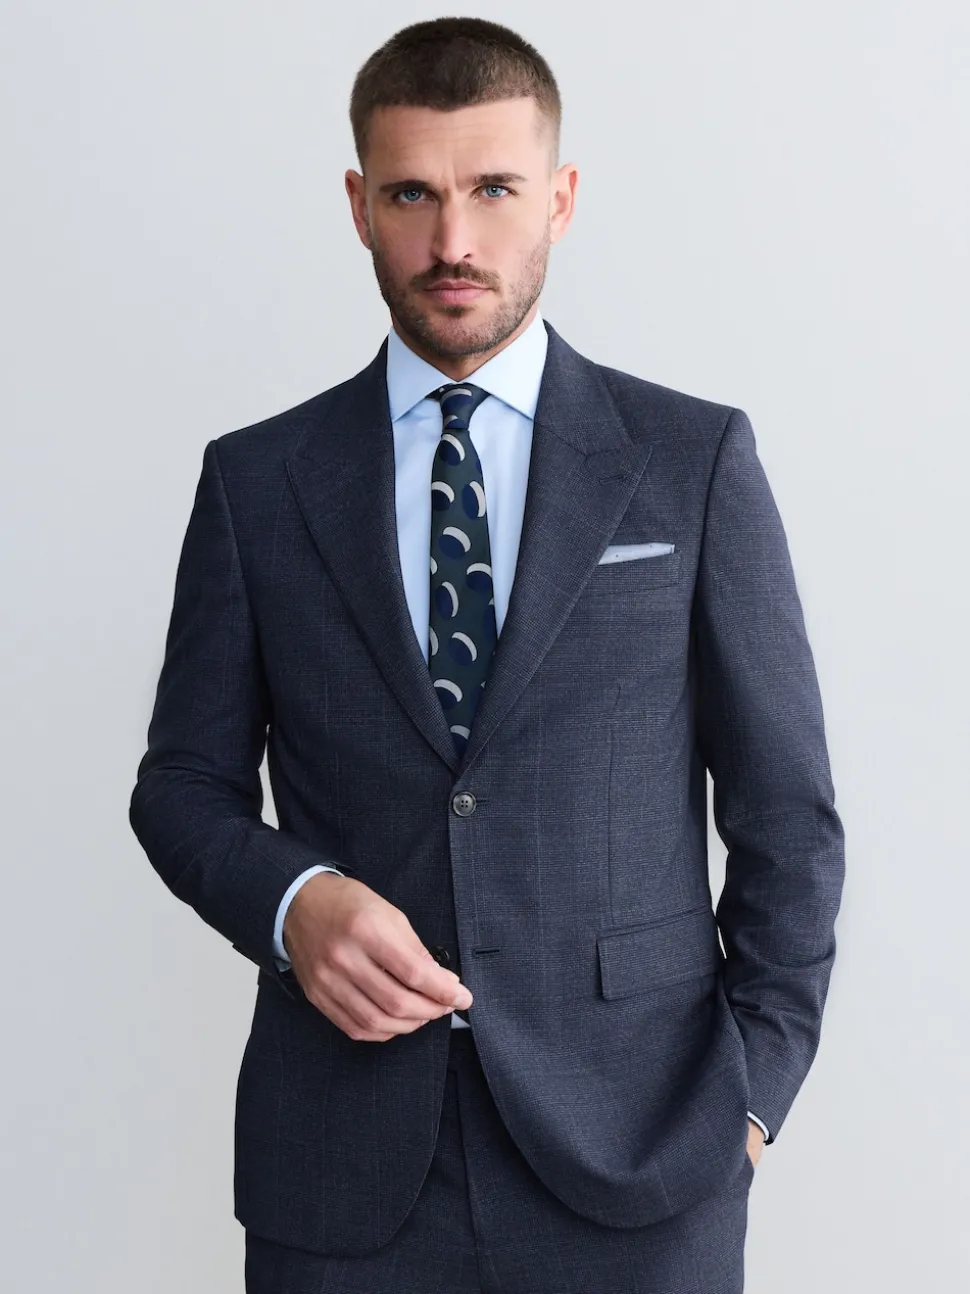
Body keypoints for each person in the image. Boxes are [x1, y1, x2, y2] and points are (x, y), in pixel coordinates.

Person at [129, 16, 845, 1293]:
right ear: (359, 205)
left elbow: (787, 812)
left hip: (642, 1155)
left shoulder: (689, 463)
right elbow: (181, 785)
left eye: (495, 190)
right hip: (344, 1169)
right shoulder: (258, 482)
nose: (453, 240)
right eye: (413, 193)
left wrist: (750, 1097)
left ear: (559, 199)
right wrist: (295, 902)